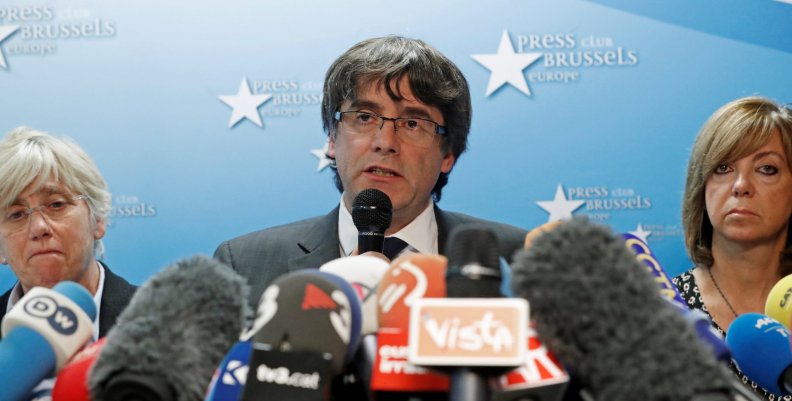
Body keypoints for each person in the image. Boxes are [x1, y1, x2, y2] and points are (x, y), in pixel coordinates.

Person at [214, 35, 527, 308]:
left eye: (413, 123)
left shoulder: (520, 260)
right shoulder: (243, 264)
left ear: (449, 154)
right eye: (364, 117)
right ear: (333, 138)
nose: (385, 142)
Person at [672, 96, 792, 400]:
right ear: (702, 186)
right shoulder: (668, 312)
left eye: (767, 169)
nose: (740, 185)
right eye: (723, 167)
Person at [0, 126, 137, 340]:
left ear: (98, 219)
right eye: (16, 215)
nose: (38, 228)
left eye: (55, 204)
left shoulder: (167, 324)